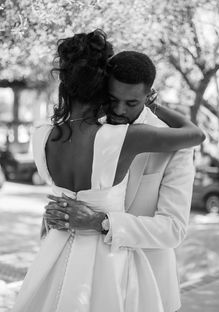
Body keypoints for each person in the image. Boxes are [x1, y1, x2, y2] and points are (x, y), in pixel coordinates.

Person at [12, 30, 205, 312]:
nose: (119, 110)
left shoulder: (171, 142)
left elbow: (173, 231)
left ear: (148, 96)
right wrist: (62, 210)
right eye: (113, 99)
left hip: (146, 286)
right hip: (77, 269)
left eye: (132, 103)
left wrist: (101, 222)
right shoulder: (95, 128)